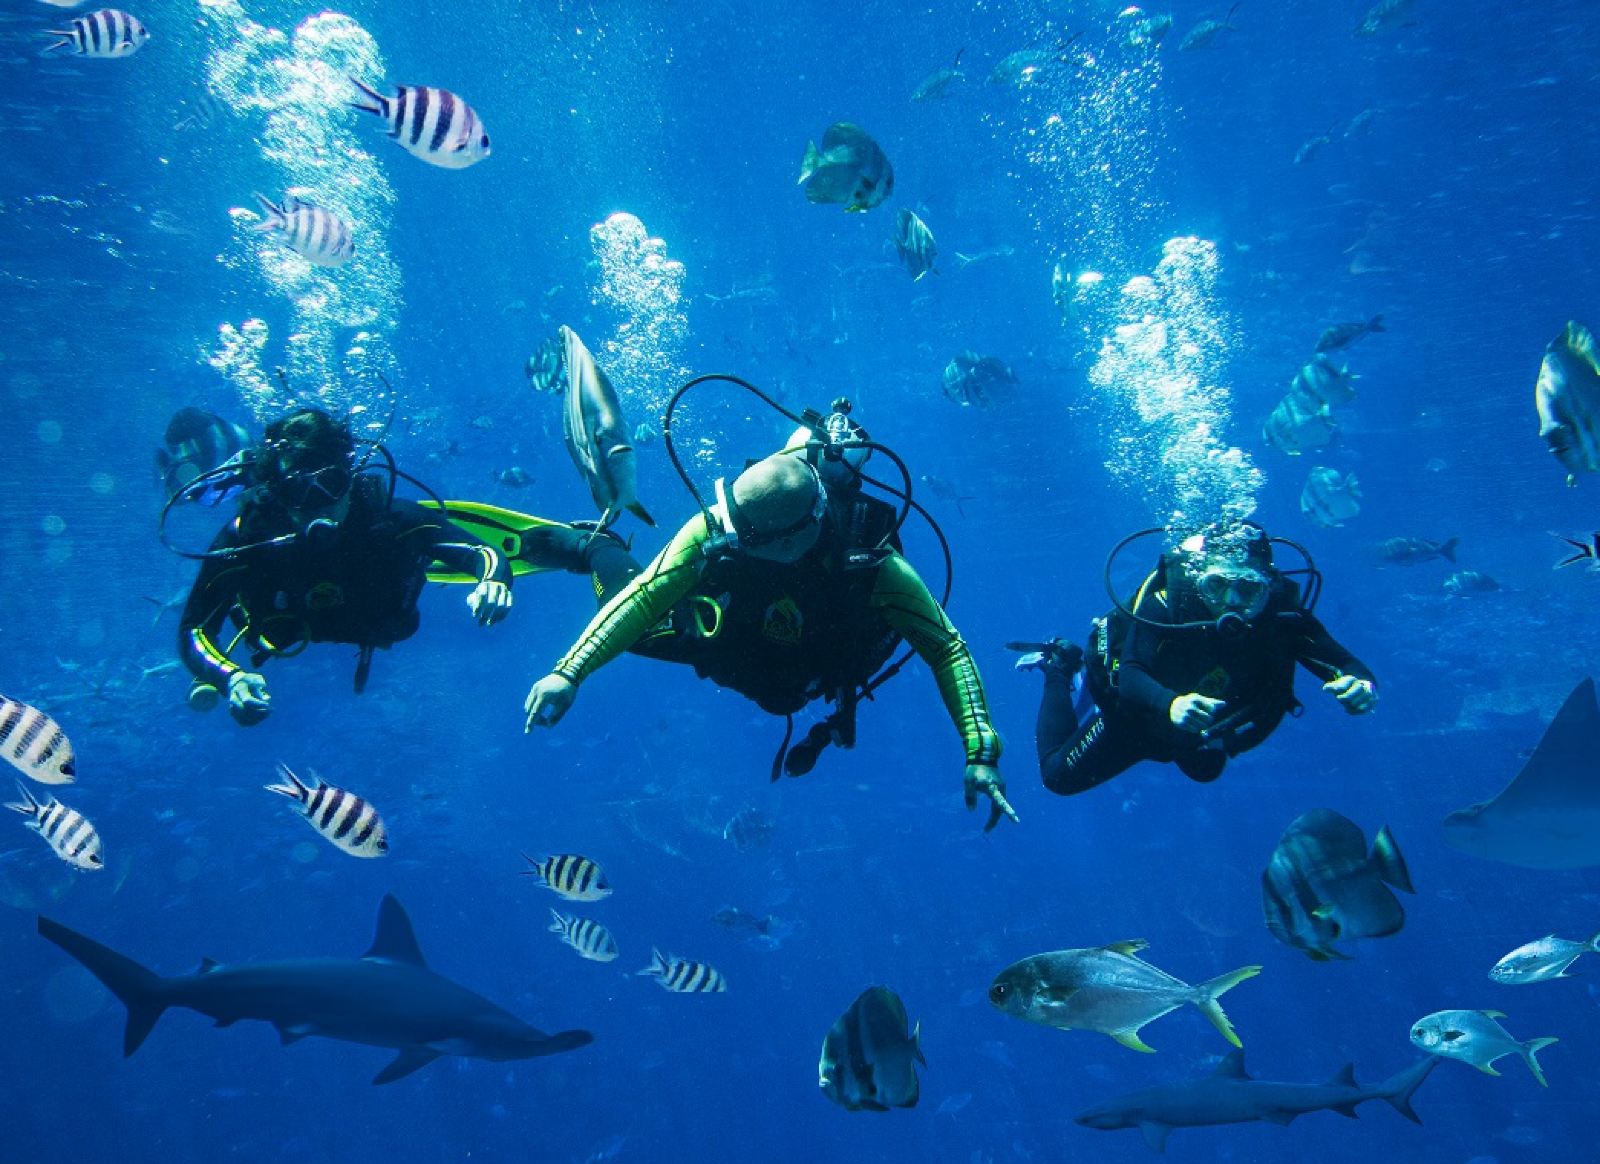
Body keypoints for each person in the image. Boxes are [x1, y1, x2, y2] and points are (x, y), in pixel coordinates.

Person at [523, 435, 1014, 830]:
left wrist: (981, 752)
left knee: (782, 692)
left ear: (799, 535)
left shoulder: (876, 568)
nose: (729, 539)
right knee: (622, 608)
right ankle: (595, 547)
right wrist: (569, 673)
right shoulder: (716, 525)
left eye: (747, 538)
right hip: (726, 640)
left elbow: (945, 646)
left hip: (802, 666)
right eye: (732, 526)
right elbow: (646, 594)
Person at [177, 408, 620, 725]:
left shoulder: (392, 521)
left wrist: (493, 581)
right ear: (276, 493)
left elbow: (483, 552)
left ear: (349, 477)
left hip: (380, 621)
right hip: (277, 638)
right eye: (299, 493)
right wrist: (230, 676)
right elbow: (196, 628)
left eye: (329, 485)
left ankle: (575, 547)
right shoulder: (247, 537)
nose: (319, 508)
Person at [1019, 522, 1376, 796]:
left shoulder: (1281, 620)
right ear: (1198, 579)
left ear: (1268, 586)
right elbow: (1131, 673)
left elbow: (1347, 664)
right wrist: (1171, 704)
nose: (1232, 602)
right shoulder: (1168, 602)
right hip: (1135, 716)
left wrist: (1360, 685)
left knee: (1205, 770)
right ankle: (1061, 664)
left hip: (1197, 728)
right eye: (1218, 585)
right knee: (1057, 778)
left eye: (1249, 589)